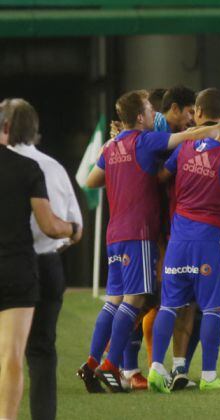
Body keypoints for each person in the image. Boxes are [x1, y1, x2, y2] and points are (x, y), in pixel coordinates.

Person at [76, 90, 217, 393]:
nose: (155, 115)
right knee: (136, 299)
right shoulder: (145, 140)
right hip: (138, 233)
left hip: (115, 233)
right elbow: (187, 136)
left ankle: (91, 363)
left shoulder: (112, 146)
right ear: (139, 117)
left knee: (114, 300)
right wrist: (217, 129)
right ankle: (111, 366)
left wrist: (117, 166)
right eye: (151, 110)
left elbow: (90, 181)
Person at [148, 108, 220, 392]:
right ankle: (210, 376)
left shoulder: (186, 147)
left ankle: (156, 369)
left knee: (170, 305)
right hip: (209, 238)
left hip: (178, 237)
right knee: (212, 308)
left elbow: (162, 175)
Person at [0, 99, 80, 420]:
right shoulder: (33, 168)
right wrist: (72, 229)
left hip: (22, 267)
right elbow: (49, 225)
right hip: (19, 267)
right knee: (15, 355)